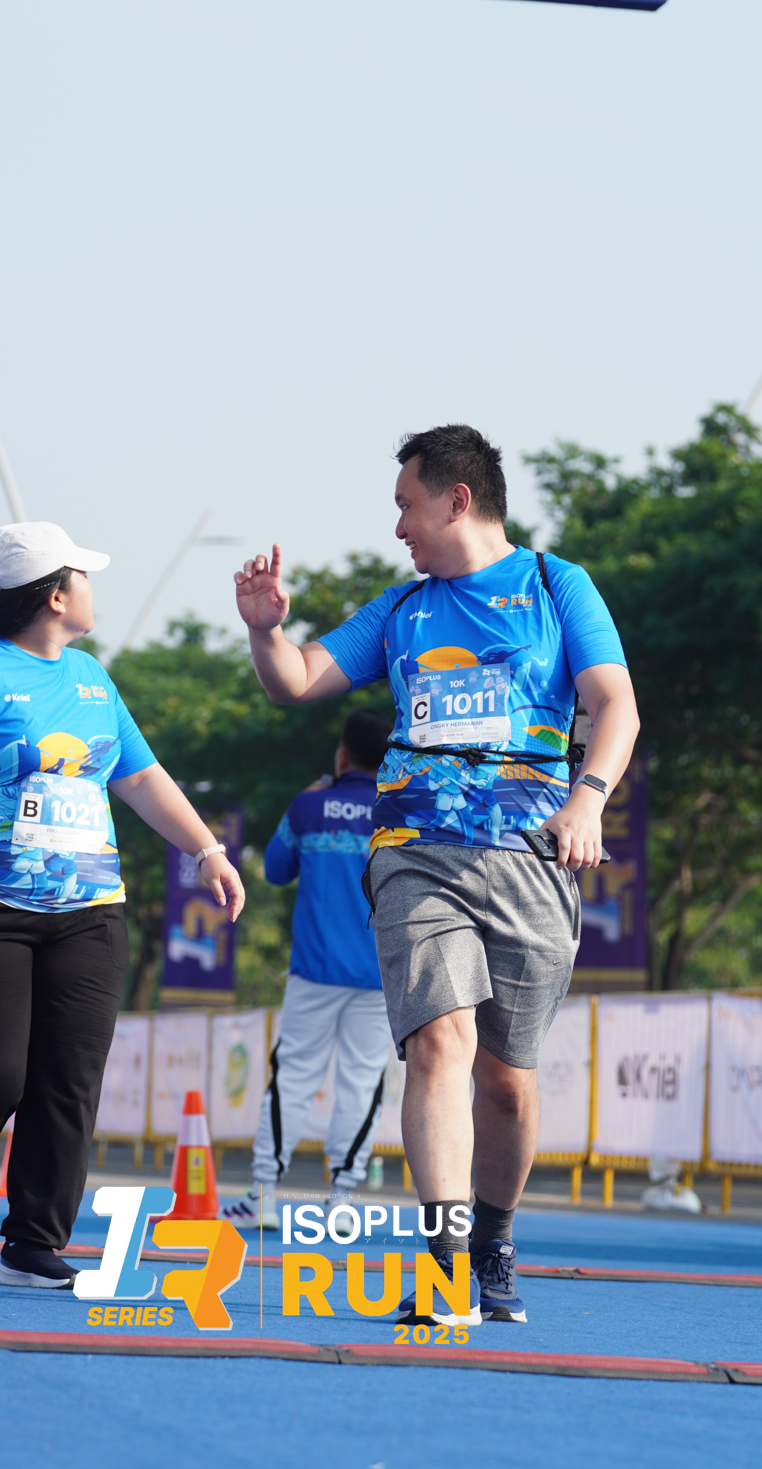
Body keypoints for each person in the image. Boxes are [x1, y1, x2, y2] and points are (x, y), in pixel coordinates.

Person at [233, 425, 639, 1325]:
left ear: (457, 500)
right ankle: (448, 1262)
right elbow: (295, 680)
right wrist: (266, 631)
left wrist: (587, 800)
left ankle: (493, 1241)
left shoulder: (556, 585)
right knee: (438, 1043)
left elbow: (615, 704)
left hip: (531, 855)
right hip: (414, 850)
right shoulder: (400, 610)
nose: (397, 528)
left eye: (405, 506)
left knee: (505, 1078)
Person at [0, 521, 244, 1288]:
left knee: (67, 1079)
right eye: (83, 576)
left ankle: (33, 1242)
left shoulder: (93, 679)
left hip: (90, 912)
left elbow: (139, 776)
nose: (93, 589)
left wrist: (206, 850)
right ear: (56, 595)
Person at [220, 709, 395, 1235]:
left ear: (341, 756)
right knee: (362, 1082)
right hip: (381, 975)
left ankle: (263, 1195)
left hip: (314, 971)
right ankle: (341, 1200)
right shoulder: (401, 807)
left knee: (293, 1078)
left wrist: (307, 797)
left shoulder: (309, 807)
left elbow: (275, 870)